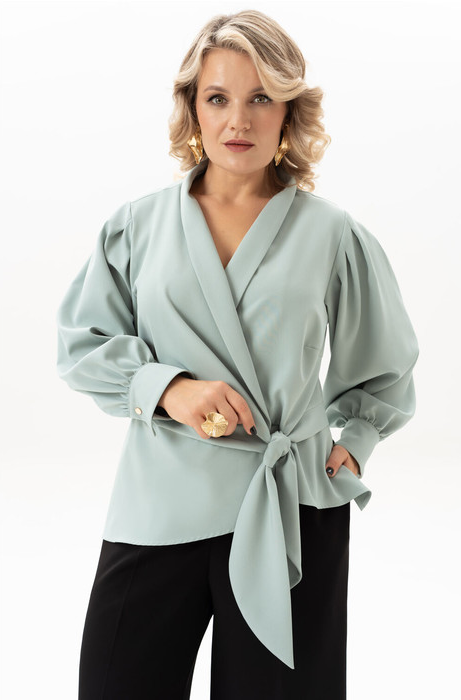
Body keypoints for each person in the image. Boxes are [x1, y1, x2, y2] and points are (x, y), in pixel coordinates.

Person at [56, 9, 419, 700]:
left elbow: (384, 362)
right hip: (161, 497)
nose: (239, 121)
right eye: (218, 97)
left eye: (261, 98)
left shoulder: (333, 234)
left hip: (292, 504)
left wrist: (356, 441)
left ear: (289, 110)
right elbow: (82, 341)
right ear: (193, 108)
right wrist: (171, 389)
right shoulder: (137, 226)